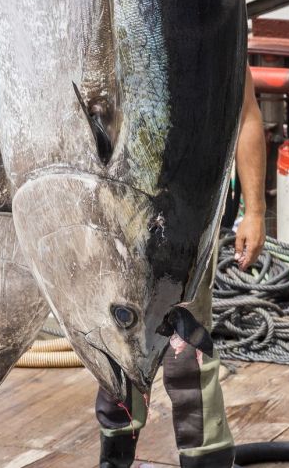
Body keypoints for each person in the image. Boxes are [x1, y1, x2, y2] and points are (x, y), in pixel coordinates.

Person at [98, 66, 266, 467]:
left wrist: (255, 211)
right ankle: (114, 460)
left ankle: (205, 459)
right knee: (115, 349)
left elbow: (245, 114)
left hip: (190, 217)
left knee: (186, 354)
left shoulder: (213, 17)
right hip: (111, 217)